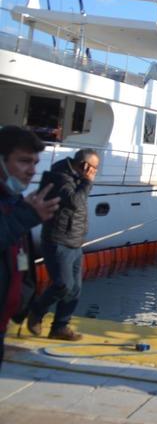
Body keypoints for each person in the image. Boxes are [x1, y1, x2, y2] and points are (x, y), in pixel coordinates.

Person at [0, 127, 60, 368]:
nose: (32, 170)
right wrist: (26, 217)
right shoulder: (19, 211)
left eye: (35, 162)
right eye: (24, 161)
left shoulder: (14, 204)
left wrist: (23, 297)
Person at [27, 148, 99, 341]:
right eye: (93, 169)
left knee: (75, 289)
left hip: (75, 241)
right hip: (58, 240)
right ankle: (36, 311)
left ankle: (60, 327)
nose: (95, 173)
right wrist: (87, 182)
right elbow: (75, 201)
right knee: (63, 285)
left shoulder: (75, 177)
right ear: (85, 166)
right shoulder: (60, 177)